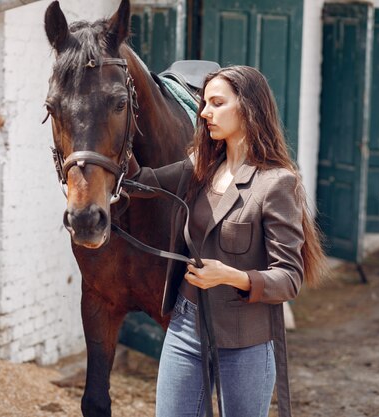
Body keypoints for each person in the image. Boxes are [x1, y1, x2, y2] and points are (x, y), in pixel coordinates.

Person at [127, 65, 327, 417]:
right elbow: (142, 182)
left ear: (248, 108)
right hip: (186, 327)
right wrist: (101, 139)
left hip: (245, 340)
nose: (204, 113)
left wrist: (230, 275)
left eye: (217, 103)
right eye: (204, 103)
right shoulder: (199, 165)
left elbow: (289, 278)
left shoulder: (277, 183)